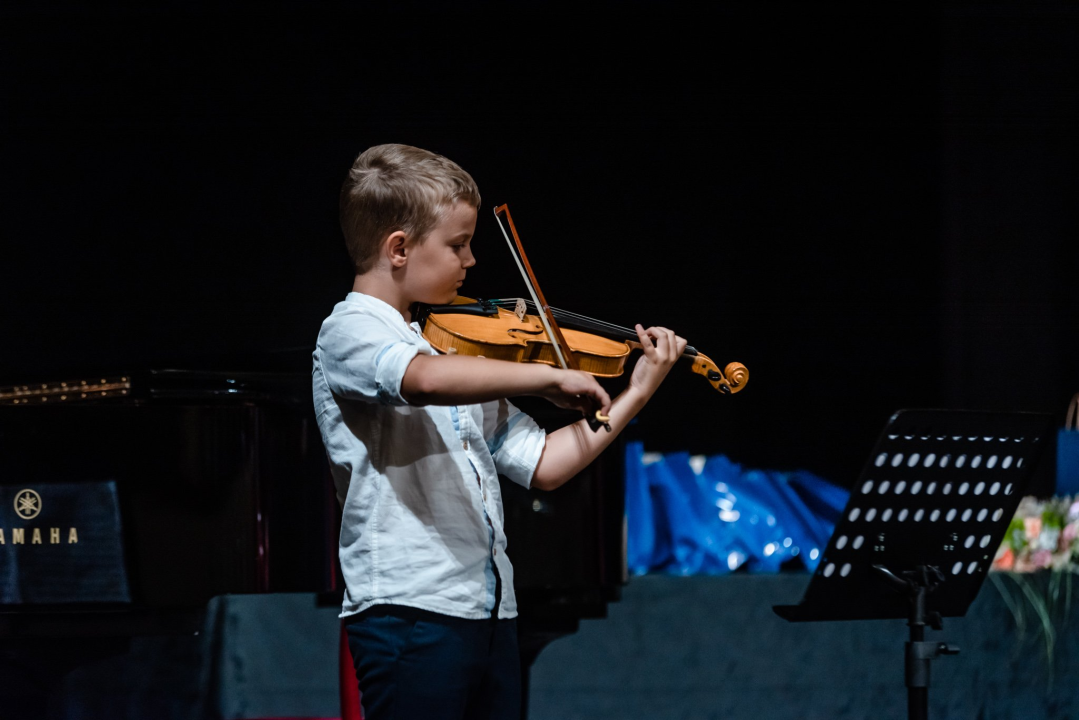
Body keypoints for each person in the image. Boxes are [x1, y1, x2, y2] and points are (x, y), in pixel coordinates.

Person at [312, 143, 686, 720]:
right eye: (457, 244)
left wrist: (636, 391)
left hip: (488, 608)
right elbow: (421, 380)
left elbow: (545, 464)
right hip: (409, 611)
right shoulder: (351, 330)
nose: (472, 261)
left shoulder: (450, 345)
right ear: (399, 248)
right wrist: (539, 374)